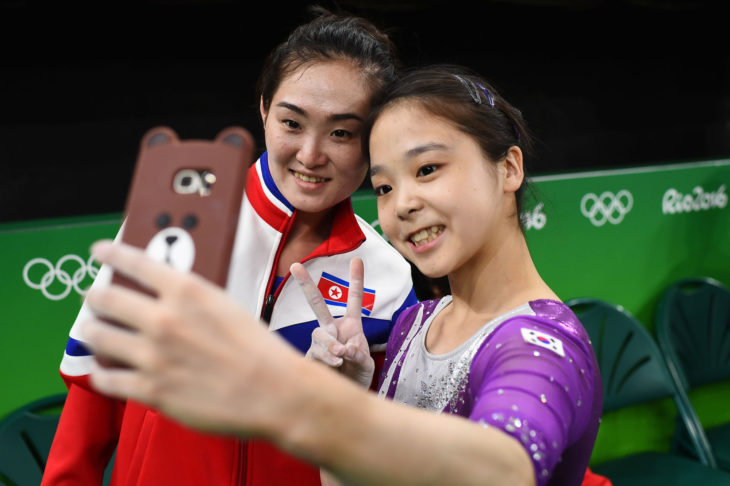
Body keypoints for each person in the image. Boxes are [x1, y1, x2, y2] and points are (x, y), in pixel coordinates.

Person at [81, 64, 602, 486]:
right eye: (383, 187)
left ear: (509, 168)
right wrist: (344, 395)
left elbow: (507, 465)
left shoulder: (540, 343)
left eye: (427, 170)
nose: (404, 205)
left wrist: (307, 406)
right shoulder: (415, 324)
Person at [42, 8, 416, 486]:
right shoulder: (175, 217)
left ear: (374, 138)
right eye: (292, 123)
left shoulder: (386, 276)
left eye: (342, 132)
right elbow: (94, 382)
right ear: (264, 109)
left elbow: (381, 457)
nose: (310, 154)